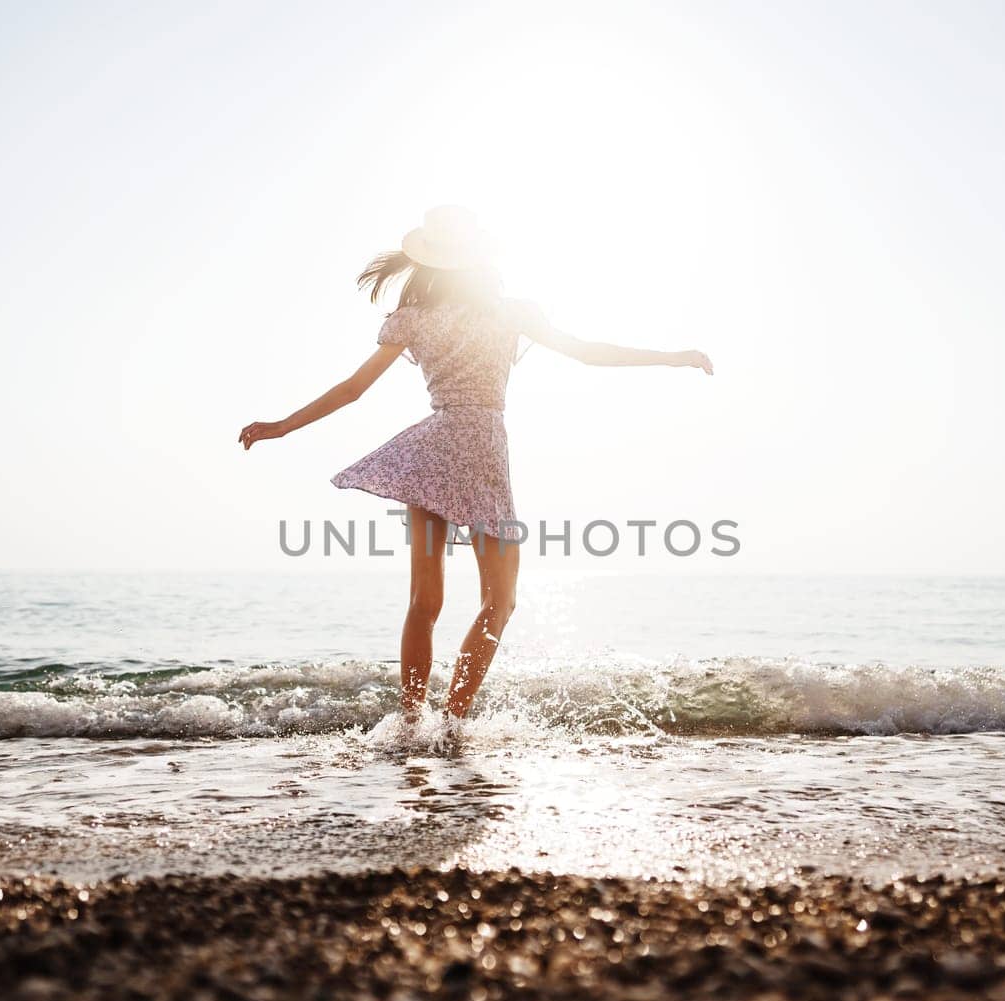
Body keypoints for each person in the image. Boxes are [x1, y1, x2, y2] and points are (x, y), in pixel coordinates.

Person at [240, 205, 711, 730]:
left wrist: (283, 427)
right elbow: (588, 353)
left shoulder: (416, 317)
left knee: (425, 601)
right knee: (499, 602)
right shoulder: (511, 313)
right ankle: (451, 722)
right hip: (481, 451)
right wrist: (674, 357)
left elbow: (353, 390)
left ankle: (414, 725)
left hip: (434, 452)